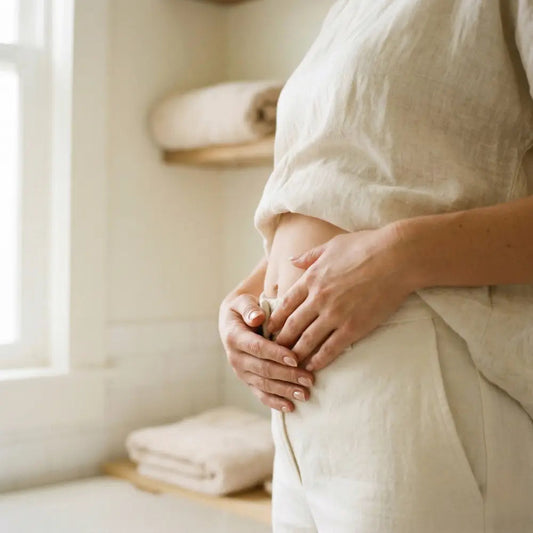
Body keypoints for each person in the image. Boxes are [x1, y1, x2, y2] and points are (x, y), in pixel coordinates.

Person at [218, 0, 533, 531]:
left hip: (421, 375)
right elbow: (349, 191)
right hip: (303, 411)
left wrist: (402, 255)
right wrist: (246, 297)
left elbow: (382, 226)